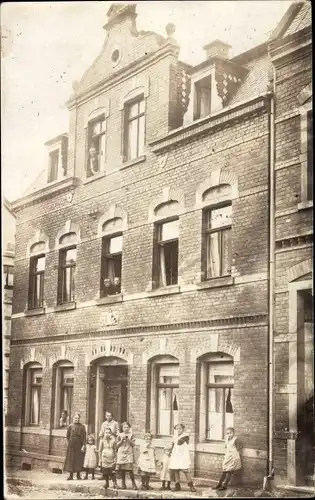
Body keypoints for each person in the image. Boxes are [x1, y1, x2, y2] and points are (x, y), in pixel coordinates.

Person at [169, 423, 196, 492]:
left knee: (185, 470)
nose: (178, 430)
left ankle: (191, 486)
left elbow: (179, 443)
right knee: (176, 470)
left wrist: (175, 438)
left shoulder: (186, 435)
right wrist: (170, 452)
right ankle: (177, 486)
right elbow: (173, 445)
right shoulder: (174, 436)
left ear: (183, 429)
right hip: (175, 454)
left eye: (180, 428)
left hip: (183, 455)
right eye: (177, 428)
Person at [63, 413, 86, 481]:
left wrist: (83, 445)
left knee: (78, 459)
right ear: (73, 419)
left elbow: (84, 436)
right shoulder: (70, 426)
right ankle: (71, 475)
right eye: (76, 418)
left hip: (79, 444)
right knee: (71, 459)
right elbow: (68, 436)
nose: (77, 419)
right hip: (72, 445)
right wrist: (71, 442)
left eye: (78, 418)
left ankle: (78, 475)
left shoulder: (82, 426)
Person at [116, 422, 137, 490]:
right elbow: (117, 445)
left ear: (129, 428)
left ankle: (133, 484)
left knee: (130, 470)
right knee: (122, 470)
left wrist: (128, 439)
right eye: (124, 427)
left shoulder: (131, 435)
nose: (126, 429)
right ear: (122, 428)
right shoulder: (120, 435)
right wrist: (121, 440)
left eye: (127, 427)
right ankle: (123, 483)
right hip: (121, 453)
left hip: (129, 453)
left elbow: (133, 444)